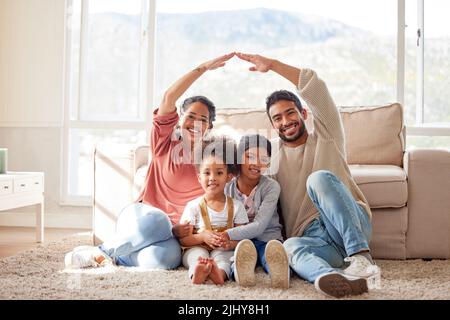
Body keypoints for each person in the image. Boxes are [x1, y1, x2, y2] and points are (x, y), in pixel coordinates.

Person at [64, 53, 235, 270]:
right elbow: (168, 98)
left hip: (175, 235)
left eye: (203, 120)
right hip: (144, 218)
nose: (196, 123)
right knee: (159, 221)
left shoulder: (213, 163)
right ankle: (101, 252)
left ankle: (115, 259)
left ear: (209, 127)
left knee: (166, 260)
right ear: (180, 119)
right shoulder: (165, 141)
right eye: (191, 116)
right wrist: (203, 67)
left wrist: (187, 232)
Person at [234, 52, 380, 298]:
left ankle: (361, 258)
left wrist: (273, 65)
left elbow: (317, 88)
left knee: (318, 178)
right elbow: (242, 182)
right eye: (277, 118)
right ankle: (329, 277)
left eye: (290, 113)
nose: (286, 121)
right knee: (289, 247)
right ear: (273, 125)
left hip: (350, 225)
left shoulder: (327, 136)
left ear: (303, 113)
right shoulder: (269, 158)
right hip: (314, 240)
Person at [221, 134, 289, 289]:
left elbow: (259, 226)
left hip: (267, 239)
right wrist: (229, 240)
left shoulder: (271, 187)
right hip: (239, 242)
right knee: (232, 258)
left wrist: (227, 234)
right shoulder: (227, 188)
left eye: (264, 159)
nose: (257, 163)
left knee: (272, 255)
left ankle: (280, 272)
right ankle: (241, 272)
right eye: (250, 157)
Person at [179, 137, 249, 285]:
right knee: (196, 257)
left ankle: (219, 274)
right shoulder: (193, 206)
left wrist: (229, 243)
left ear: (228, 177)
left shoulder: (237, 206)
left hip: (223, 250)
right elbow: (184, 240)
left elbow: (242, 238)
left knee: (225, 259)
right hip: (196, 247)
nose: (212, 178)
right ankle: (197, 274)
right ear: (199, 177)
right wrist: (202, 236)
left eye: (218, 173)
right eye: (207, 173)